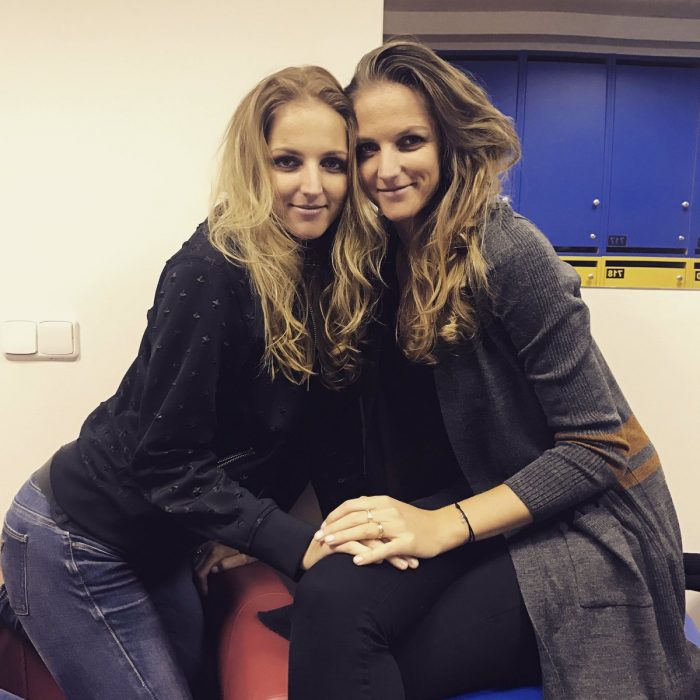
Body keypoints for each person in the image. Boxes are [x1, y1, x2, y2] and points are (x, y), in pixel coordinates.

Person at [287, 40, 700, 699]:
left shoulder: (509, 252)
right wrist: (259, 524)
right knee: (329, 597)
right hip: (482, 495)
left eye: (410, 142)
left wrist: (441, 526)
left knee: (377, 653)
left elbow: (598, 448)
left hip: (586, 528)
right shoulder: (383, 251)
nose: (385, 169)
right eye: (366, 149)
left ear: (450, 143)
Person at [0, 64, 401, 700]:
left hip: (163, 542)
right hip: (78, 535)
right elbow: (164, 460)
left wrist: (338, 534)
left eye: (333, 163)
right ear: (253, 166)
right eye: (287, 162)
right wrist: (287, 541)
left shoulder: (333, 270)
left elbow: (318, 435)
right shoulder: (211, 269)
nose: (312, 186)